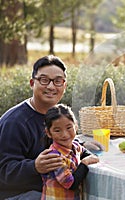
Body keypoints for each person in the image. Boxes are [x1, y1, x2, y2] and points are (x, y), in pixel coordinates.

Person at [0, 55, 102, 199]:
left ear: (64, 86)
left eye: (58, 81)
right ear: (32, 83)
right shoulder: (14, 123)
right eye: (44, 80)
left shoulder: (56, 115)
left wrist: (79, 144)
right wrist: (34, 166)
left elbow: (57, 143)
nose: (51, 86)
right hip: (18, 194)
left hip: (51, 189)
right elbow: (4, 171)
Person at [41, 104, 99, 200]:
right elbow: (71, 184)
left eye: (69, 128)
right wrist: (85, 162)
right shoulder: (54, 157)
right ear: (48, 133)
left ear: (76, 126)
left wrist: (90, 156)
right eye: (57, 130)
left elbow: (84, 152)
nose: (64, 134)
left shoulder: (75, 146)